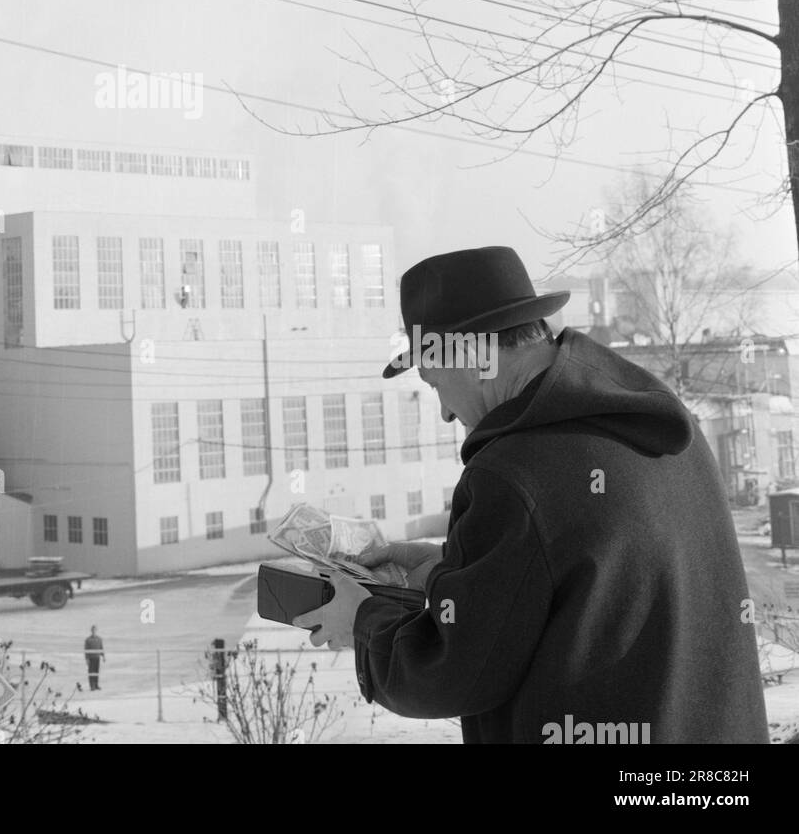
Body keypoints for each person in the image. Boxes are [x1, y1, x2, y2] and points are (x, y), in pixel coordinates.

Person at [295, 245, 769, 745]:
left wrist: (361, 622)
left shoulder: (514, 473)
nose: (446, 415)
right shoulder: (664, 427)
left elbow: (450, 674)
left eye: (434, 383)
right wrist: (447, 570)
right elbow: (572, 578)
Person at [83, 625, 105, 691]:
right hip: (91, 658)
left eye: (95, 630)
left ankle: (96, 685)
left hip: (97, 658)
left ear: (96, 631)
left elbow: (101, 648)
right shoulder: (88, 640)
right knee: (91, 672)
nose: (94, 631)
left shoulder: (99, 639)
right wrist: (86, 659)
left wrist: (103, 656)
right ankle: (92, 686)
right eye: (93, 630)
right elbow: (86, 650)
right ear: (91, 631)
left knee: (96, 672)